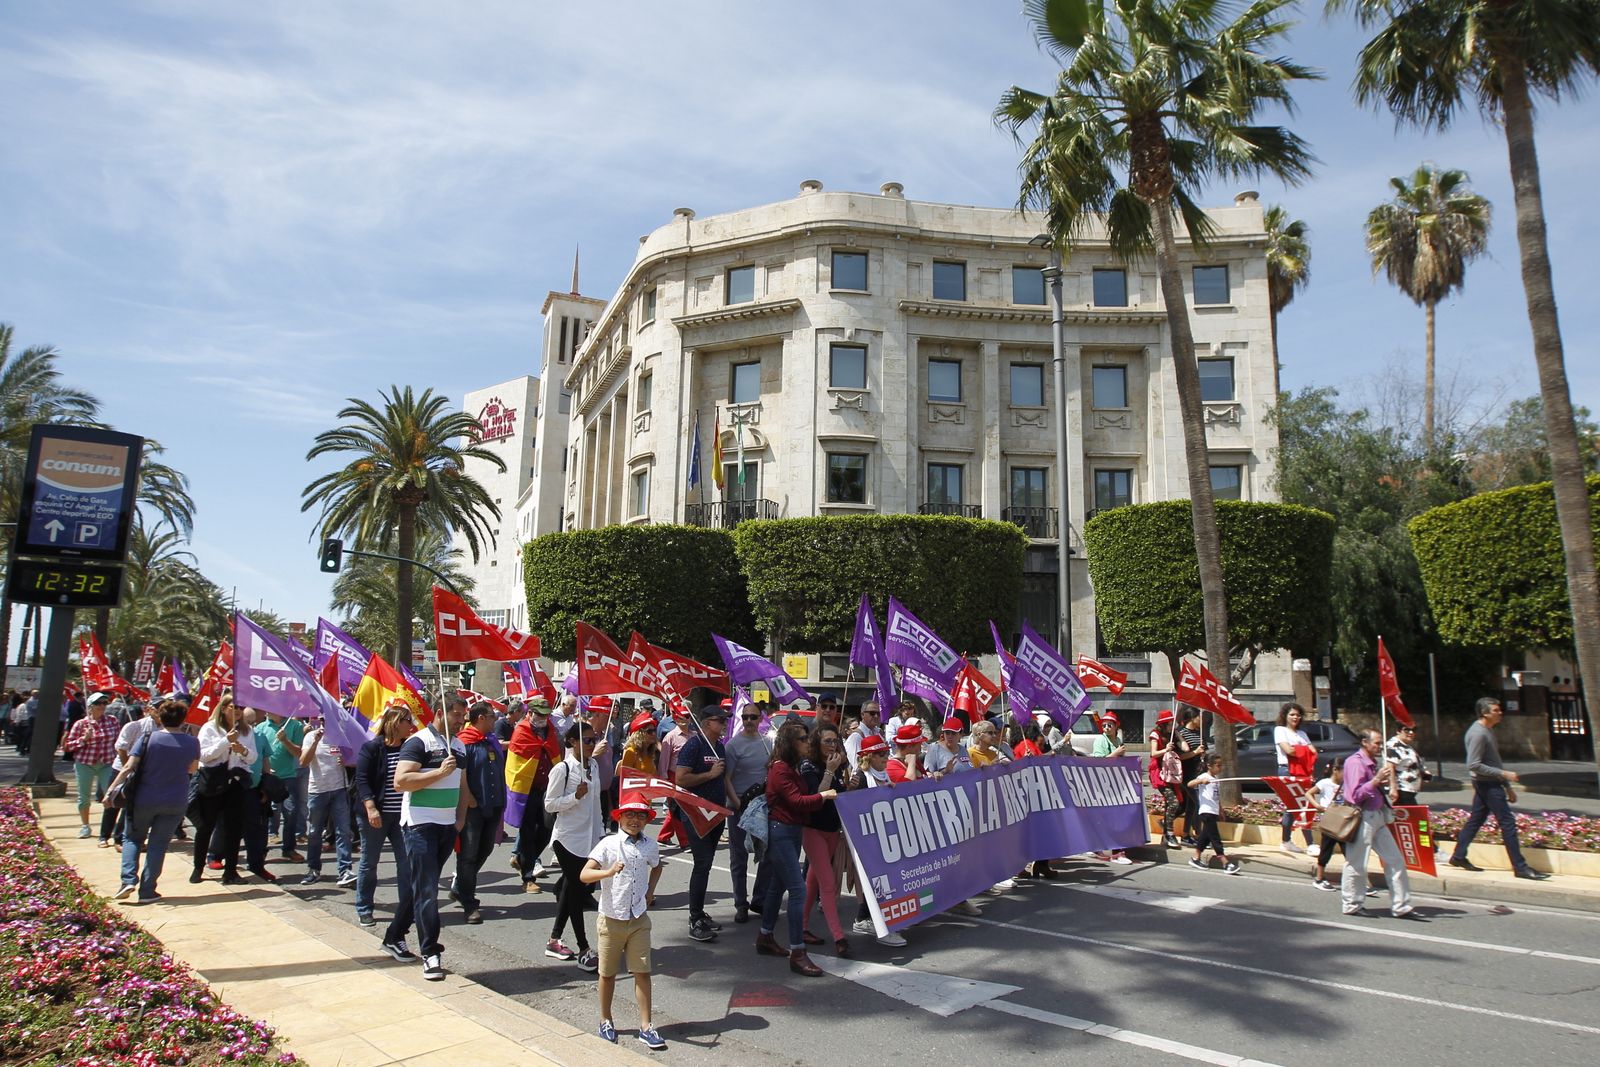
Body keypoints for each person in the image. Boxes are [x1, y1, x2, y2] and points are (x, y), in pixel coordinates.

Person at [391, 704, 469, 980]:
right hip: (420, 824)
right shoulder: (418, 741)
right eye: (457, 715)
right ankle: (430, 952)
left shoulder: (459, 744)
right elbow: (401, 781)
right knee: (427, 889)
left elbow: (462, 784)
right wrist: (438, 773)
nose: (461, 720)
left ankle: (393, 935)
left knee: (423, 885)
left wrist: (460, 818)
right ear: (439, 713)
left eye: (463, 715)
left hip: (447, 825)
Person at [582, 798, 666, 1051]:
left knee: (642, 972)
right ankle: (605, 1019)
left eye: (641, 816)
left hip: (638, 919)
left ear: (647, 820)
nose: (635, 820)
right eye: (629, 814)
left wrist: (650, 892)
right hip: (611, 919)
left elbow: (657, 867)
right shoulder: (609, 844)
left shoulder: (650, 845)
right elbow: (585, 874)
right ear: (619, 817)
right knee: (607, 974)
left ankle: (646, 1026)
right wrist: (608, 872)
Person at [755, 720, 836, 976]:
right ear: (790, 742)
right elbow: (798, 801)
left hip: (791, 831)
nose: (807, 742)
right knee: (798, 890)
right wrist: (823, 796)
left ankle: (765, 936)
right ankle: (798, 952)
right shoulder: (780, 769)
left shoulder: (792, 767)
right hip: (781, 832)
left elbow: (801, 799)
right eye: (802, 738)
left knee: (777, 886)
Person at [1448, 697, 1551, 880]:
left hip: (1491, 783)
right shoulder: (1478, 733)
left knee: (1476, 820)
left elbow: (1493, 761)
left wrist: (1507, 786)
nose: (1500, 713)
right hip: (1487, 784)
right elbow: (1473, 764)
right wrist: (1504, 774)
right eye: (1496, 710)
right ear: (1485, 713)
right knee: (1507, 823)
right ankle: (1520, 867)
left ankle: (1458, 856)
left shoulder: (1487, 730)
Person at [110, 699, 201, 902]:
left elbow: (128, 767)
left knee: (132, 838)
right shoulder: (192, 742)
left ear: (160, 717)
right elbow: (193, 769)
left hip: (144, 798)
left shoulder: (148, 738)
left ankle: (128, 880)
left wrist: (111, 790)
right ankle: (148, 890)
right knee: (158, 844)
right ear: (183, 719)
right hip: (176, 799)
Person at [545, 720, 605, 970]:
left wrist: (601, 833)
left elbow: (596, 802)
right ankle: (583, 948)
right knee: (576, 891)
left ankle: (554, 940)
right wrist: (574, 797)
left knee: (571, 889)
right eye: (587, 740)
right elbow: (550, 804)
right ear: (572, 742)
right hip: (568, 839)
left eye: (593, 739)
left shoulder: (593, 766)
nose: (591, 744)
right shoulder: (562, 769)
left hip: (589, 838)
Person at [1340, 729, 1415, 916]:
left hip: (1378, 816)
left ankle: (1401, 906)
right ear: (1364, 742)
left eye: (1381, 743)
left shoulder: (1371, 762)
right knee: (1357, 863)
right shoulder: (1355, 763)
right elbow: (1355, 795)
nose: (1380, 747)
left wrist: (1382, 784)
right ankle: (1352, 904)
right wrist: (1376, 780)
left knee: (1395, 860)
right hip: (1363, 817)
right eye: (1377, 743)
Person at [354, 703, 415, 932]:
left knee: (406, 864)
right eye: (407, 721)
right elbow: (362, 780)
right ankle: (364, 908)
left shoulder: (409, 748)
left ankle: (405, 911)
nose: (411, 725)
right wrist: (371, 807)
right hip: (375, 815)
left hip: (402, 817)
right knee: (369, 863)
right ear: (395, 723)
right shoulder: (372, 748)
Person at [798, 722, 854, 955]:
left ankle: (801, 926)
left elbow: (840, 795)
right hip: (813, 830)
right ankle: (839, 937)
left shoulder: (837, 764)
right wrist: (830, 771)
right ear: (816, 743)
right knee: (828, 883)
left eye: (835, 741)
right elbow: (817, 796)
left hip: (832, 830)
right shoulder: (809, 765)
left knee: (813, 881)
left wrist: (848, 784)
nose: (832, 745)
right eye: (827, 741)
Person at [675, 706, 729, 943]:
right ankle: (694, 918)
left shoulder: (720, 746)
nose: (724, 724)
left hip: (716, 814)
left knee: (706, 864)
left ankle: (699, 913)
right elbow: (681, 778)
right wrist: (709, 774)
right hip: (695, 814)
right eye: (720, 720)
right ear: (707, 723)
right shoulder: (693, 745)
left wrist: (732, 801)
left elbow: (724, 778)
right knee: (702, 862)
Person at [192, 695, 256, 885]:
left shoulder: (247, 731)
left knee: (233, 828)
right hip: (213, 781)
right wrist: (225, 742)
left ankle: (230, 872)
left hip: (235, 782)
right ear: (223, 707)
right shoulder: (210, 728)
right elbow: (203, 755)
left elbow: (252, 758)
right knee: (206, 826)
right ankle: (198, 868)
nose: (237, 711)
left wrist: (242, 750)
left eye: (240, 707)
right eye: (233, 707)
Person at [455, 702, 507, 924]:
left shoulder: (490, 741)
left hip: (493, 804)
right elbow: (459, 774)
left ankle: (461, 886)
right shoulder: (464, 742)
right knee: (468, 854)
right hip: (473, 807)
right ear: (480, 718)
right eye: (491, 716)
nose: (495, 720)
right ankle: (469, 902)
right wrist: (469, 798)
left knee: (485, 849)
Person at [723, 699, 772, 925]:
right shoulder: (733, 745)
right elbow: (726, 779)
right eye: (745, 717)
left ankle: (759, 899)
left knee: (767, 854)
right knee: (739, 857)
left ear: (761, 719)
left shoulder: (767, 743)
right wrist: (737, 803)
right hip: (739, 806)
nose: (749, 721)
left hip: (761, 806)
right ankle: (741, 904)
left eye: (753, 717)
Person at [508, 695, 562, 890]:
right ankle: (528, 877)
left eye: (546, 715)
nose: (543, 718)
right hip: (527, 789)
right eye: (539, 714)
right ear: (530, 713)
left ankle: (522, 859)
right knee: (528, 832)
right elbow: (516, 763)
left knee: (547, 830)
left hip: (547, 789)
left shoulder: (551, 731)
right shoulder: (521, 730)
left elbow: (555, 754)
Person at [300, 715, 355, 887]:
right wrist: (315, 742)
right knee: (315, 832)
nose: (325, 724)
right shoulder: (311, 736)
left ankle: (345, 870)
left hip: (339, 789)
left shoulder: (342, 737)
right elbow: (303, 762)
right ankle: (313, 869)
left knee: (343, 831)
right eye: (322, 720)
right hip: (318, 790)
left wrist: (346, 761)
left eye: (328, 720)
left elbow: (355, 760)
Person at [62, 692, 120, 843]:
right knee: (84, 797)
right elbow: (68, 746)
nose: (102, 706)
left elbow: (118, 741)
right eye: (98, 703)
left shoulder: (112, 721)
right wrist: (84, 739)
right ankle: (85, 826)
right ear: (90, 706)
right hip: (85, 763)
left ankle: (108, 827)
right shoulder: (81, 724)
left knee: (111, 795)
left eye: (104, 703)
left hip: (107, 762)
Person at [256, 711, 305, 863]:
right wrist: (264, 769)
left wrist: (285, 740)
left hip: (288, 777)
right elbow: (258, 752)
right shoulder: (261, 727)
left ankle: (289, 849)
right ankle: (260, 850)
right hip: (267, 777)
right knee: (263, 814)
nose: (266, 710)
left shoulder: (295, 726)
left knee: (291, 812)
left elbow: (299, 753)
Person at [1089, 713, 1134, 865]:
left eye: (1110, 725)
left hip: (1116, 782)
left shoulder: (1118, 741)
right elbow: (1098, 762)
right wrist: (1115, 753)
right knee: (1113, 817)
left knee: (1110, 817)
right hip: (1103, 784)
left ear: (1116, 726)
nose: (1106, 728)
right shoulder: (1100, 740)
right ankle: (1116, 853)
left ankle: (1096, 845)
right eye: (1104, 725)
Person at [1275, 703, 1318, 855]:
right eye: (1292, 714)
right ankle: (1308, 843)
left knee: (1302, 805)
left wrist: (1298, 750)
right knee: (1295, 805)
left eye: (1298, 715)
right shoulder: (1280, 730)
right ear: (1285, 716)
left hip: (1303, 771)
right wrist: (1304, 750)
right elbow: (1288, 750)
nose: (1295, 717)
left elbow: (1314, 752)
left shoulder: (1302, 734)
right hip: (1287, 770)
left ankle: (1287, 840)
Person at [1186, 754, 1240, 874]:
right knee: (1215, 837)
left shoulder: (1216, 779)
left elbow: (1216, 797)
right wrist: (1200, 781)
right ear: (1209, 766)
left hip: (1213, 811)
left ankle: (1195, 858)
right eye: (1218, 765)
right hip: (1206, 811)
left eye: (1221, 765)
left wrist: (1220, 810)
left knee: (1205, 836)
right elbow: (1190, 784)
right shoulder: (1204, 776)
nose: (1220, 768)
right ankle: (1224, 862)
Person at [654, 706, 694, 849]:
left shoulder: (695, 736)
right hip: (673, 776)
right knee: (677, 808)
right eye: (679, 717)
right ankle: (685, 841)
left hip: (690, 776)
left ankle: (663, 836)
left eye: (686, 716)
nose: (683, 719)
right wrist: (664, 778)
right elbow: (664, 759)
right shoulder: (670, 737)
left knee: (683, 807)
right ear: (675, 719)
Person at [1148, 710, 1182, 848]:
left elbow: (1185, 748)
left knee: (1171, 803)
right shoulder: (1155, 734)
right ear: (1163, 724)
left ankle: (1165, 835)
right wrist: (1166, 749)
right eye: (1170, 724)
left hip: (1171, 772)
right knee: (1174, 802)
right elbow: (1153, 753)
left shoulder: (1172, 735)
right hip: (1159, 772)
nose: (1172, 726)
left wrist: (1179, 736)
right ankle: (1170, 833)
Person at [1310, 758, 1344, 891]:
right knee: (1326, 849)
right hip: (1329, 821)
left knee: (1349, 851)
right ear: (1335, 770)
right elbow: (1309, 793)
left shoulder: (1346, 783)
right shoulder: (1324, 783)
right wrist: (1317, 806)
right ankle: (1319, 878)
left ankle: (1358, 881)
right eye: (1343, 770)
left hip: (1343, 821)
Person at [1175, 707, 1206, 847]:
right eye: (1199, 717)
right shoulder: (1181, 733)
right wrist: (1195, 752)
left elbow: (1203, 750)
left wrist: (1202, 754)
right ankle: (1199, 835)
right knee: (1199, 803)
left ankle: (1186, 835)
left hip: (1198, 773)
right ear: (1192, 718)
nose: (1201, 720)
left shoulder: (1199, 734)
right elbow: (1179, 756)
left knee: (1191, 806)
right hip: (1187, 774)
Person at [1385, 722, 1432, 807]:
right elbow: (1390, 767)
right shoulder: (1393, 745)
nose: (1411, 732)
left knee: (1404, 814)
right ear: (1398, 731)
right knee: (1415, 814)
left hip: (1409, 790)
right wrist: (1393, 788)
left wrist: (1424, 774)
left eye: (1414, 730)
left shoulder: (1406, 746)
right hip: (1402, 790)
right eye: (1407, 730)